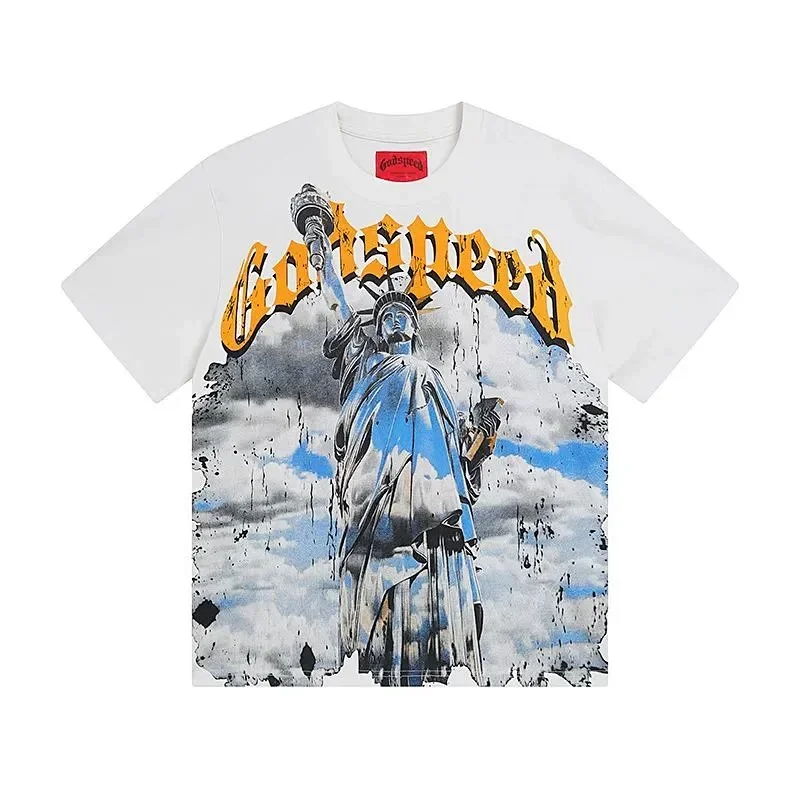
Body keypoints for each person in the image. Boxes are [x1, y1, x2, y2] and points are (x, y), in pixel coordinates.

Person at [305, 194, 501, 686]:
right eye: (384, 315)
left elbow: (459, 461)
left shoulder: (433, 380)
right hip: (379, 510)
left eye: (402, 313)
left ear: (414, 324)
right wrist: (316, 240)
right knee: (383, 616)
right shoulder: (367, 363)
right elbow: (336, 301)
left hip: (437, 522)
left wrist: (482, 440)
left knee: (434, 624)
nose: (393, 318)